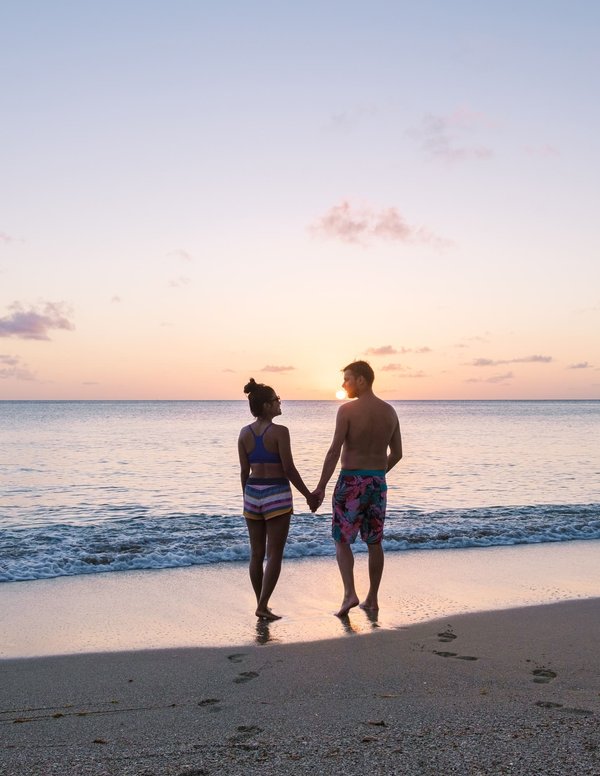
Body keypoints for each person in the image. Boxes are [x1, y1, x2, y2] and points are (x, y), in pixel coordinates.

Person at [313, 361, 403, 617]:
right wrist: (377, 474)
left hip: (351, 482)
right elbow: (397, 454)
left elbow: (333, 451)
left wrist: (320, 487)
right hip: (377, 481)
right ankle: (372, 598)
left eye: (348, 379)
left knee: (342, 539)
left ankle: (349, 593)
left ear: (362, 380)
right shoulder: (390, 412)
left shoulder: (347, 411)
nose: (344, 385)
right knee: (374, 541)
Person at [238, 378, 317, 620]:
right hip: (276, 494)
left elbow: (244, 471)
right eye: (276, 400)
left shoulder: (244, 433)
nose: (279, 403)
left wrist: (247, 497)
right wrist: (309, 495)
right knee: (274, 554)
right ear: (265, 406)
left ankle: (261, 603)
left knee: (256, 554)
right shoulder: (280, 432)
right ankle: (263, 605)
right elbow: (289, 469)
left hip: (252, 493)